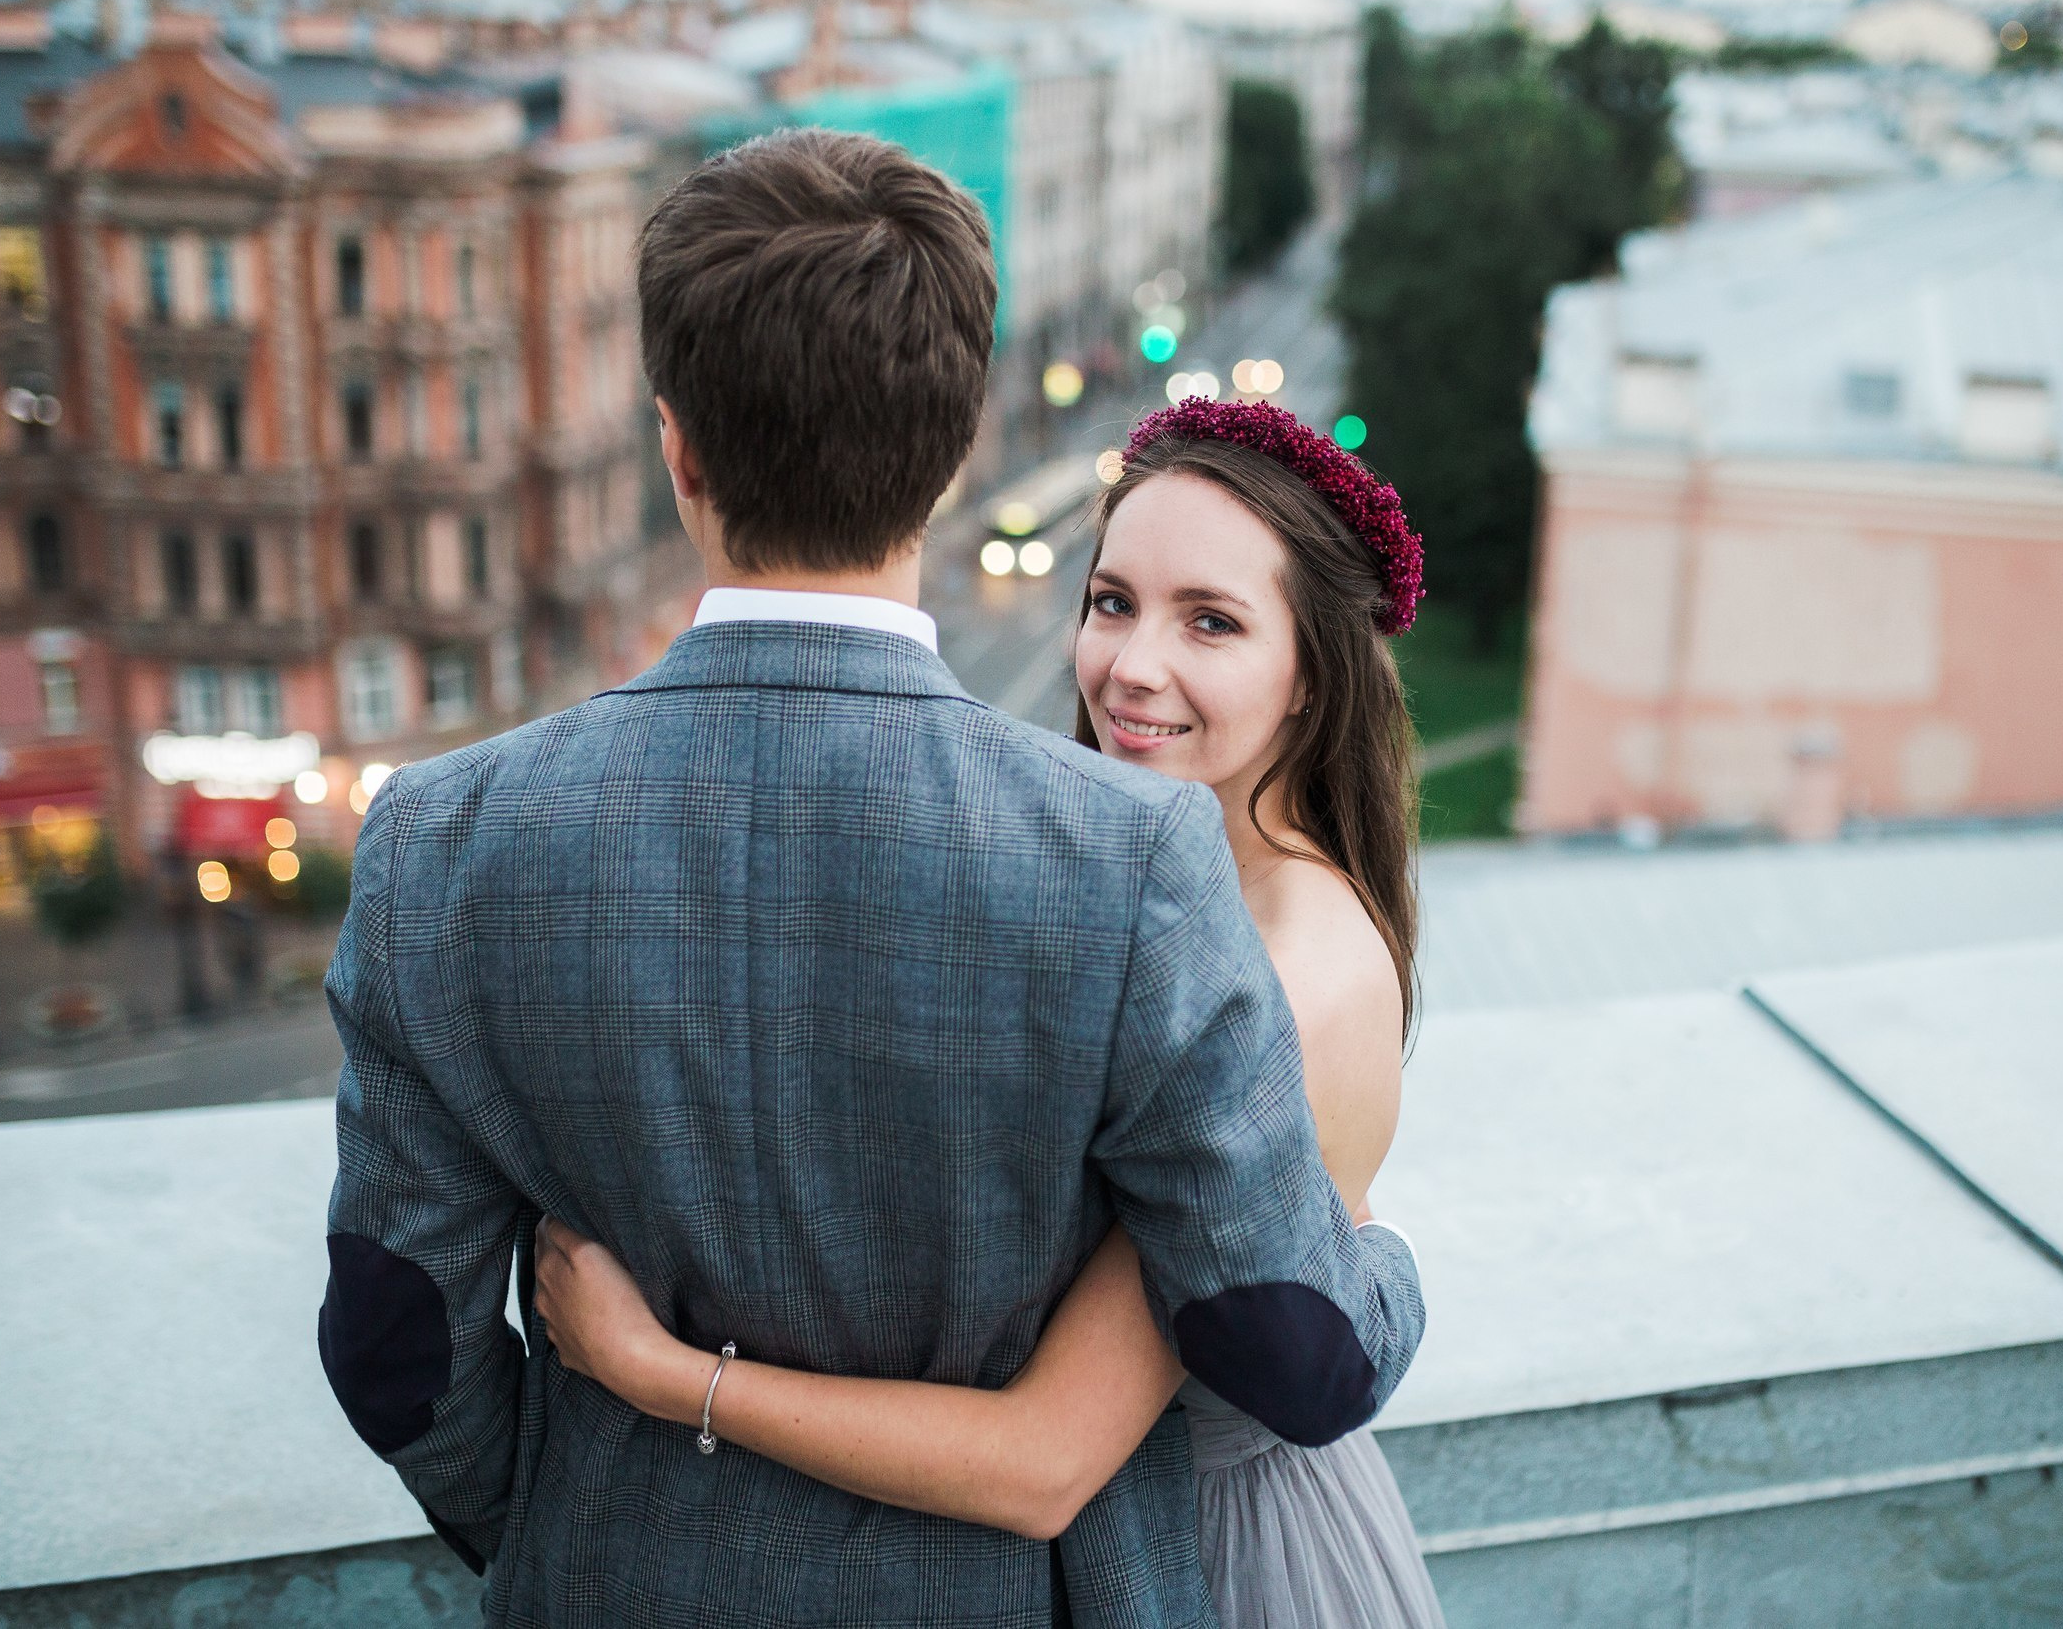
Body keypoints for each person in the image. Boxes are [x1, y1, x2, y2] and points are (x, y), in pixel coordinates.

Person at [315, 127, 1425, 1629]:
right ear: (955, 441)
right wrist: (1395, 1263)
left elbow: (396, 1343)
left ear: (678, 450)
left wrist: (584, 1520)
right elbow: (1293, 1348)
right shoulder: (1135, 861)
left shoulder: (443, 840)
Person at [533, 396, 1447, 1629]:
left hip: (1210, 1565)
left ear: (1309, 677)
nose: (1131, 664)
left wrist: (661, 1370)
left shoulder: (1284, 974)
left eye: (1212, 622)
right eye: (1112, 600)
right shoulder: (1154, 897)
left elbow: (1042, 1459)